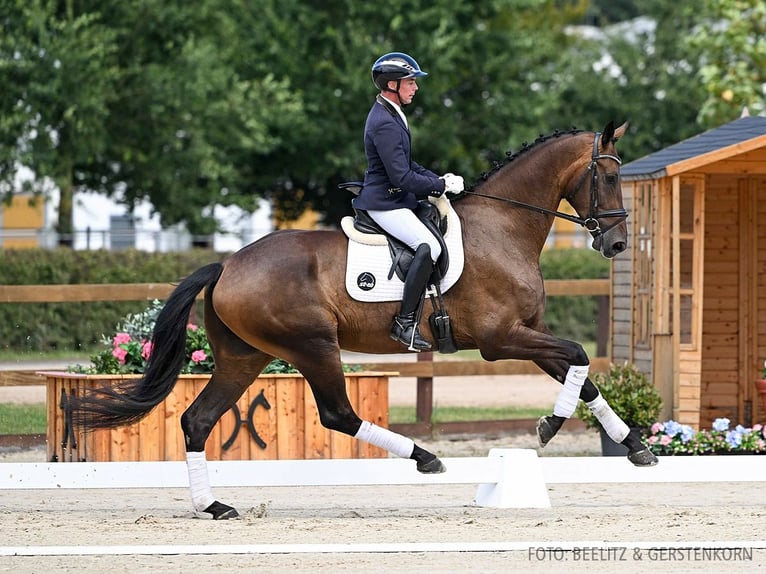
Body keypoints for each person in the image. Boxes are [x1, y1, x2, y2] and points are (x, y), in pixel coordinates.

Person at [352, 52, 464, 351]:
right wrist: (439, 185)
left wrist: (440, 179)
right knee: (430, 247)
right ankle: (404, 323)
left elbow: (409, 164)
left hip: (396, 198)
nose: (415, 87)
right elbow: (401, 177)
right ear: (392, 84)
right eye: (411, 82)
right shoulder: (384, 122)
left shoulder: (391, 112)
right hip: (384, 202)